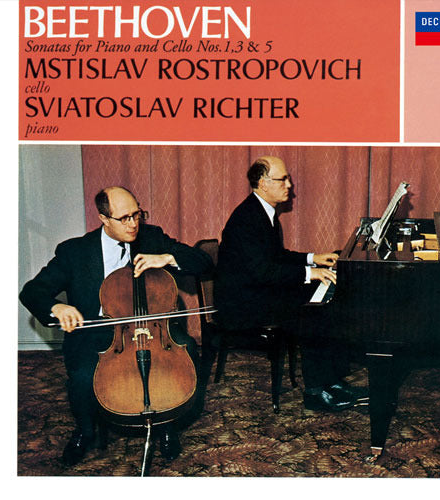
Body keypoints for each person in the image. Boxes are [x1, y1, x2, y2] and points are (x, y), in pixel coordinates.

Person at [19, 186, 213, 466]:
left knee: (187, 346)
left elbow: (204, 262)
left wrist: (168, 258)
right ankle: (85, 431)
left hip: (151, 326)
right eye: (124, 218)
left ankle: (167, 425)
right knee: (83, 375)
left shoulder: (151, 238)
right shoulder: (75, 251)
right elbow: (32, 291)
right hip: (97, 330)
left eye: (137, 215)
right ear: (103, 218)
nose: (133, 224)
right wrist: (57, 307)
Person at [214, 156, 366, 412]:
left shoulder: (263, 211)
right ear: (263, 183)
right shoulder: (246, 219)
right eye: (282, 179)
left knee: (326, 300)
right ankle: (316, 393)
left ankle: (332, 382)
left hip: (256, 292)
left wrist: (313, 259)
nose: (289, 185)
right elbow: (263, 271)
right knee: (313, 311)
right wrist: (310, 273)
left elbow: (277, 256)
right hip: (242, 305)